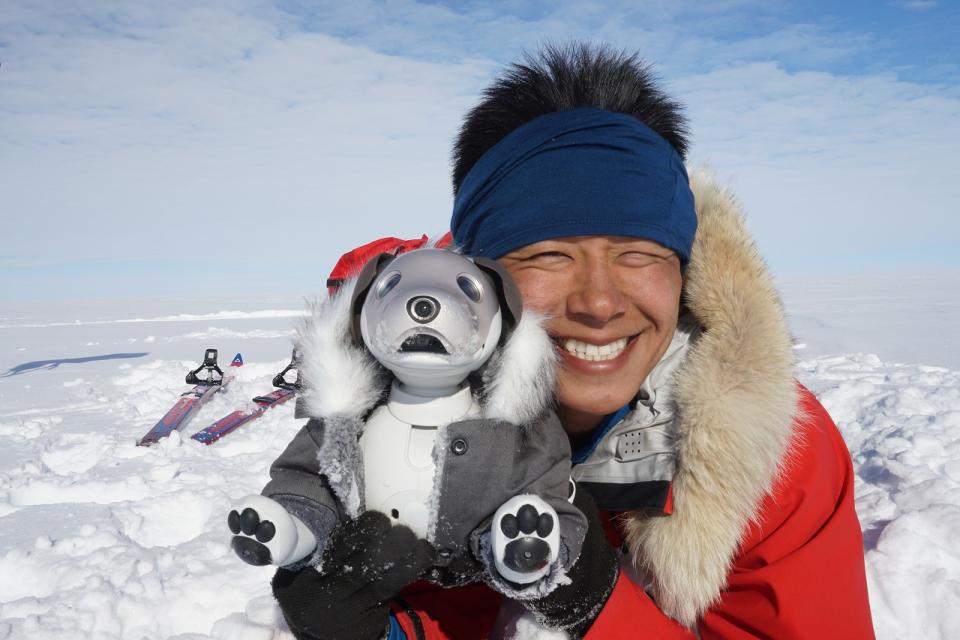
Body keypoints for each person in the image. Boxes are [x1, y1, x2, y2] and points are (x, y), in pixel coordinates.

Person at [268, 43, 876, 639]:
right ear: (485, 279)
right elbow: (443, 607)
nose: (601, 303)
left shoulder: (770, 445)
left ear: (683, 273)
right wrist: (387, 630)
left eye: (639, 253)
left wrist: (595, 603)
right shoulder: (406, 423)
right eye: (549, 254)